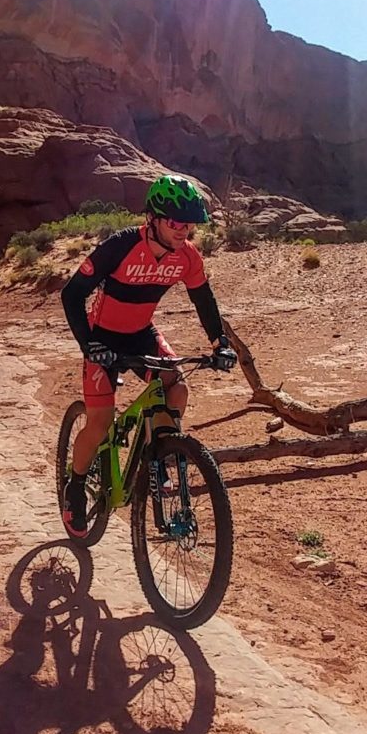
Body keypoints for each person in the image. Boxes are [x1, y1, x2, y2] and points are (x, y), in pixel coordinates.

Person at [59, 174, 233, 533]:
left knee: (177, 387)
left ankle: (161, 457)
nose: (184, 230)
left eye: (189, 224)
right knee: (101, 421)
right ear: (153, 218)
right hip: (102, 339)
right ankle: (75, 486)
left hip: (140, 334)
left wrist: (220, 344)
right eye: (176, 222)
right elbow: (72, 295)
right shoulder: (120, 246)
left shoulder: (186, 257)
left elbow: (204, 300)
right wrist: (89, 345)